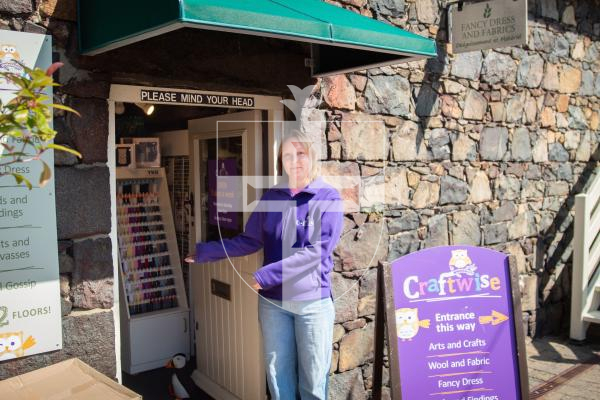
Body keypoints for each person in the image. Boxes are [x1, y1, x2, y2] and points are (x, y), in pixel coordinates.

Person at [186, 130, 344, 399]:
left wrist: (268, 275)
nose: (294, 161)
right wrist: (206, 252)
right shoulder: (272, 197)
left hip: (312, 304)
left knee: (314, 383)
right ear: (280, 161)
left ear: (312, 156)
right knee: (277, 377)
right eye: (287, 155)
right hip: (273, 305)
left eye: (300, 154)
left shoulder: (327, 198)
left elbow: (317, 251)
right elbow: (249, 240)